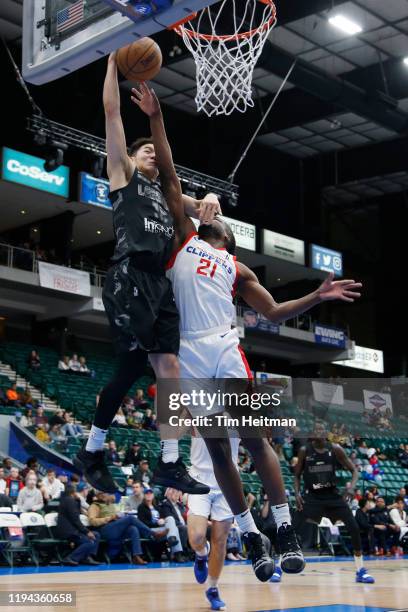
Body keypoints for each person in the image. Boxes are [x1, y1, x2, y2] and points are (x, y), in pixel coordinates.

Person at [132, 83, 362, 582]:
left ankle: (283, 529)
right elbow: (169, 171)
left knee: (255, 440)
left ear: (229, 237)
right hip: (187, 353)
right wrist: (155, 117)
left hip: (224, 348)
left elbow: (276, 312)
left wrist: (317, 297)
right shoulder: (183, 240)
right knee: (218, 450)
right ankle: (250, 535)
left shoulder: (238, 268)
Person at [73, 51, 220, 496]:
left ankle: (167, 462)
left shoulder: (162, 192)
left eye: (155, 149)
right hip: (130, 275)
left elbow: (198, 205)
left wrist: (208, 199)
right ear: (131, 157)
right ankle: (95, 449)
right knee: (139, 363)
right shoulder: (123, 175)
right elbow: (112, 111)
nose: (152, 152)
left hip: (160, 283)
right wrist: (114, 63)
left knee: (167, 366)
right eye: (145, 149)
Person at [294, 421, 375, 584]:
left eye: (322, 429)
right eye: (316, 429)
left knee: (353, 527)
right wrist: (296, 493)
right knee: (292, 527)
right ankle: (280, 567)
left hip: (333, 496)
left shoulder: (335, 449)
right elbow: (296, 475)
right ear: (312, 433)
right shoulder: (304, 451)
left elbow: (354, 471)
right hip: (313, 497)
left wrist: (351, 488)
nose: (319, 431)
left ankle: (360, 570)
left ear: (326, 433)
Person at [187, 435, 241, 610]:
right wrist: (173, 474)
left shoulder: (240, 410)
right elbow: (173, 431)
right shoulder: (195, 408)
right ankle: (202, 554)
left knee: (220, 540)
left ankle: (212, 589)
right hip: (198, 478)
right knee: (196, 537)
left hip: (227, 480)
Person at [88, 491, 162, 564]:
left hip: (114, 527)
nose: (106, 495)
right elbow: (93, 521)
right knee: (130, 519)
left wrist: (118, 516)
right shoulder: (95, 506)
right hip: (104, 530)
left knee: (133, 529)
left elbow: (114, 517)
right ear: (99, 495)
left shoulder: (110, 504)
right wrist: (109, 518)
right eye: (104, 493)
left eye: (107, 493)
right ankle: (153, 533)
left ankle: (136, 556)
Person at [55, 485, 100, 566]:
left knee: (96, 535)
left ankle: (87, 557)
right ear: (73, 492)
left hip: (72, 530)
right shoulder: (69, 501)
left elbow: (77, 514)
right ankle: (71, 558)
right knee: (90, 541)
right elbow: (75, 520)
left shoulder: (68, 500)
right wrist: (87, 532)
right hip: (68, 532)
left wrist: (78, 501)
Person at [159, 488, 188, 562]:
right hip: (172, 526)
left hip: (183, 525)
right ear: (169, 494)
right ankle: (181, 553)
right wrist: (183, 524)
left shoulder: (180, 505)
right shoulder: (166, 504)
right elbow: (169, 517)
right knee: (183, 528)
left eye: (178, 492)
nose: (176, 494)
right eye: (174, 492)